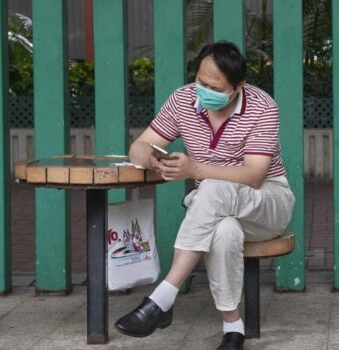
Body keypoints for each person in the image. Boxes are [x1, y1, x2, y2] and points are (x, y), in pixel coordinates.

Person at [114, 41, 295, 350]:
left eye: (214, 87)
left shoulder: (263, 106)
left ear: (238, 87)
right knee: (224, 231)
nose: (203, 90)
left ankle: (164, 297)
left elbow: (254, 175)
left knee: (210, 186)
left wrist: (195, 168)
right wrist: (152, 159)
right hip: (215, 211)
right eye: (200, 81)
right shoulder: (183, 100)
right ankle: (233, 328)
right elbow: (138, 146)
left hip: (266, 203)